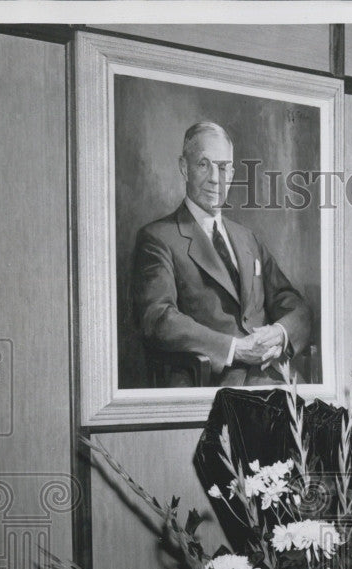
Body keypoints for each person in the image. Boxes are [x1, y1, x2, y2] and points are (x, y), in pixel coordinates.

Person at [132, 121, 311, 387]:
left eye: (224, 167)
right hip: (215, 385)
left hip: (277, 379)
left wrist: (280, 333)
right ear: (184, 168)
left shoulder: (247, 238)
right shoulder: (157, 238)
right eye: (204, 164)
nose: (216, 177)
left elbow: (294, 303)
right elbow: (158, 318)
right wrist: (234, 348)